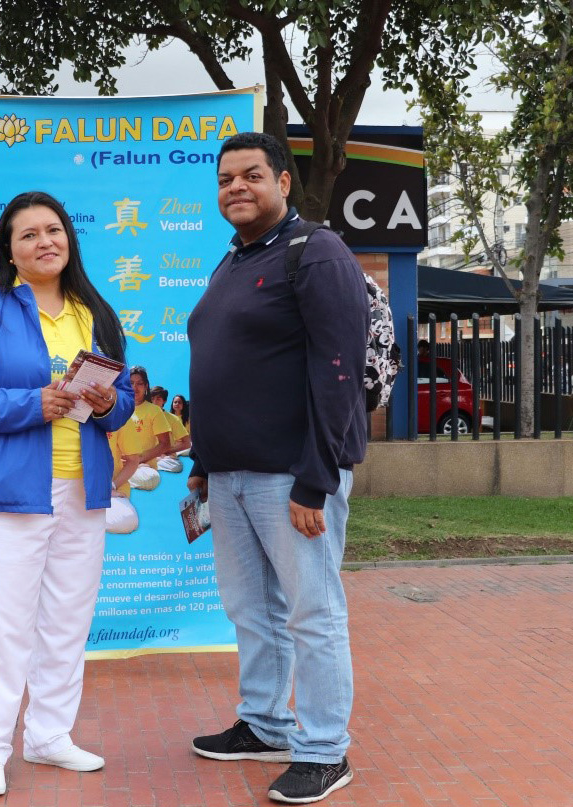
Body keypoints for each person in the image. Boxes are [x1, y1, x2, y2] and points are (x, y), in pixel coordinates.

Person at [186, 132, 368, 805]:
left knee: (311, 613)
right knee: (252, 610)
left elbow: (340, 372)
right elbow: (225, 369)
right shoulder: (233, 261)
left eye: (251, 175)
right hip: (230, 475)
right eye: (225, 178)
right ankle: (265, 724)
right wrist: (204, 463)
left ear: (283, 182)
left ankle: (324, 750)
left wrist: (316, 479)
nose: (236, 187)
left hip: (293, 478)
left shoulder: (315, 252)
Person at [0, 190, 134, 797]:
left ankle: (49, 736)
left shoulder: (96, 312)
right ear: (9, 251)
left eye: (53, 230)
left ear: (69, 239)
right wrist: (33, 403)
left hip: (83, 491)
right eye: (28, 234)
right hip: (10, 494)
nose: (44, 241)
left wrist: (108, 402)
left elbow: (125, 401)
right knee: (5, 630)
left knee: (67, 624)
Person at [116, 366, 172, 489]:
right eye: (131, 383)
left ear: (146, 386)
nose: (134, 388)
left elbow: (165, 444)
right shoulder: (117, 408)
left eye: (139, 384)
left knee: (149, 479)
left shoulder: (154, 410)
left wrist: (138, 460)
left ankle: (116, 483)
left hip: (143, 468)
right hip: (117, 464)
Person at [105, 429, 140, 534]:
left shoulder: (121, 421)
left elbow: (133, 460)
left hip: (111, 491)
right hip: (75, 487)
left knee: (127, 520)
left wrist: (111, 486)